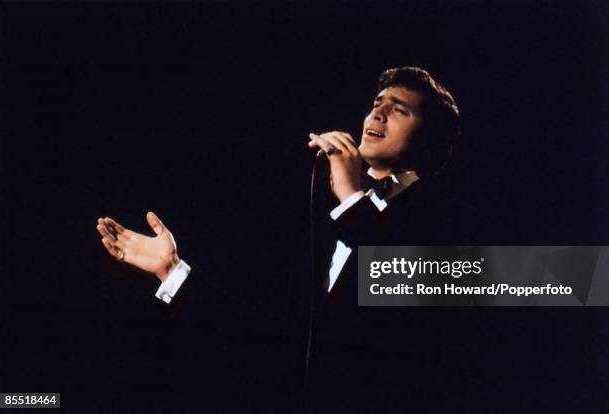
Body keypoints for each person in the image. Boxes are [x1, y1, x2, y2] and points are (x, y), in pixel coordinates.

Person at [96, 66, 482, 412]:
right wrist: (172, 272)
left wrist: (350, 200)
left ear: (429, 139)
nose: (377, 113)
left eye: (400, 110)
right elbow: (274, 337)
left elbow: (406, 321)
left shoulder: (452, 221)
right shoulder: (324, 215)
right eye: (377, 103)